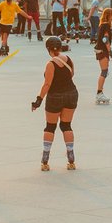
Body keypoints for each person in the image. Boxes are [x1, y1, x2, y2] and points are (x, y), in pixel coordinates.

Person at [31, 36, 79, 171]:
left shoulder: (50, 64)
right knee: (66, 126)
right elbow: (72, 74)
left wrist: (38, 100)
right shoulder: (68, 59)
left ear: (48, 49)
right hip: (71, 94)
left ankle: (45, 158)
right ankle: (71, 157)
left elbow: (47, 84)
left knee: (50, 127)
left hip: (55, 96)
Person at [94, 7, 112, 104]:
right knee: (104, 72)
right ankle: (99, 93)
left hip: (100, 50)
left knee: (104, 71)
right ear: (109, 15)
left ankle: (100, 92)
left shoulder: (102, 25)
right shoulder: (106, 25)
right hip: (103, 50)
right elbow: (105, 39)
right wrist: (110, 51)